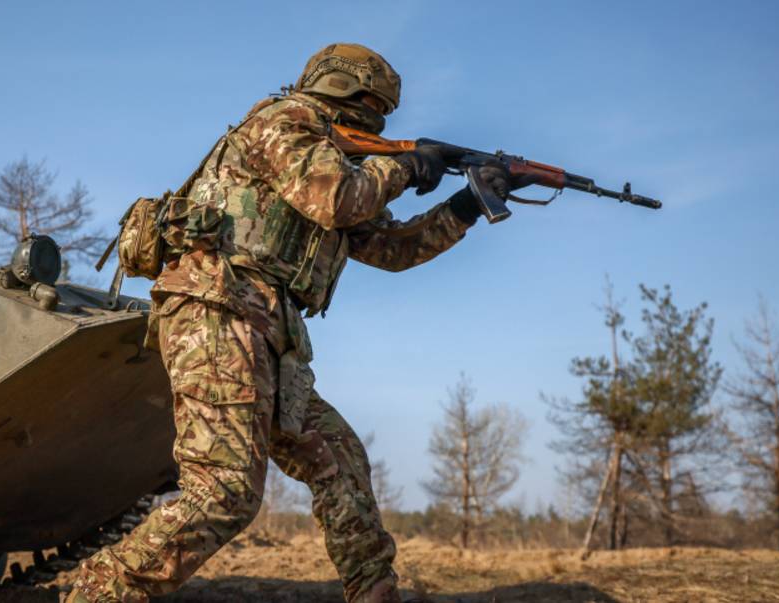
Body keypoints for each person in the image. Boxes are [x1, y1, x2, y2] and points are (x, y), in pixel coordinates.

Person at [67, 43, 528, 603]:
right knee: (224, 490)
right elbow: (336, 199)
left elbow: (390, 248)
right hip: (217, 309)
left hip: (266, 328)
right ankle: (95, 594)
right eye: (369, 105)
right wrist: (406, 165)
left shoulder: (339, 158)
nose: (375, 119)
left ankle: (374, 591)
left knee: (338, 456)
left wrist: (466, 206)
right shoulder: (284, 122)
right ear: (341, 89)